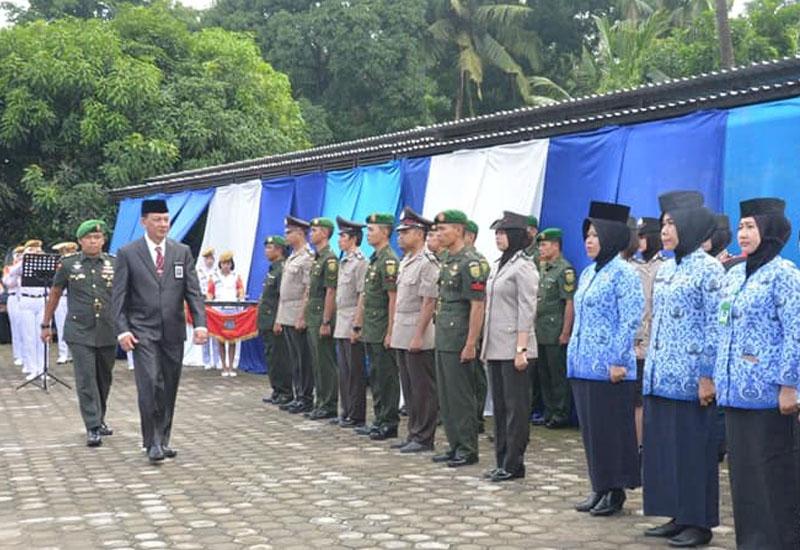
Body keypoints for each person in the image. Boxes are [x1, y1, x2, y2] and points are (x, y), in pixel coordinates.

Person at [714, 197, 800, 550]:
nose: (743, 233)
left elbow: (796, 330)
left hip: (769, 395)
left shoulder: (785, 275)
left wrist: (790, 384)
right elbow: (722, 324)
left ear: (770, 231)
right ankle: (751, 541)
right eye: (740, 226)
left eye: (751, 226)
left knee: (771, 475)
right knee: (744, 477)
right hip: (735, 392)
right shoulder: (734, 275)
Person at [641, 191, 723, 547]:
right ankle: (677, 513)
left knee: (694, 452)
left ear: (689, 226)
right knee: (668, 451)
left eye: (672, 224)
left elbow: (716, 325)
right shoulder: (667, 268)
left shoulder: (709, 269)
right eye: (663, 225)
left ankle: (698, 522)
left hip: (692, 379)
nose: (665, 231)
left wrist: (707, 374)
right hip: (662, 376)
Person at [112, 198, 208, 464]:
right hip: (142, 331)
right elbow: (118, 297)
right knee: (150, 384)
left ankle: (163, 438)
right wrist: (122, 330)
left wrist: (200, 323)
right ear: (144, 222)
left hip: (174, 332)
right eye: (157, 219)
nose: (163, 224)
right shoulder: (128, 253)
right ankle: (152, 441)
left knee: (168, 386)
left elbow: (193, 292)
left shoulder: (181, 252)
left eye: (166, 219)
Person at [569, 201, 644, 517]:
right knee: (591, 431)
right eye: (586, 234)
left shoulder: (624, 273)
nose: (588, 240)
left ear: (612, 237)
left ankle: (615, 491)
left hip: (610, 368)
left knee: (611, 431)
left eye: (595, 235)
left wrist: (617, 359)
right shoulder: (588, 272)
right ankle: (599, 485)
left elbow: (631, 318)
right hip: (583, 364)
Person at [41, 221, 116, 447]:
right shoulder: (68, 264)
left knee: (104, 378)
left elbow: (124, 295)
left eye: (97, 237)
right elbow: (55, 294)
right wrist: (46, 324)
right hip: (79, 331)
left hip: (107, 329)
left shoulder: (114, 263)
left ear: (103, 240)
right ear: (80, 241)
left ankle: (100, 417)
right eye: (89, 238)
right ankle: (92, 425)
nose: (93, 241)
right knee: (86, 379)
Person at [482, 210, 538, 481]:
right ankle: (502, 459)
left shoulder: (524, 266)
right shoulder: (499, 264)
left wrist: (521, 349)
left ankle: (514, 463)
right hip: (496, 346)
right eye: (496, 233)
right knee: (501, 407)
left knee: (516, 409)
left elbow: (527, 310)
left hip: (516, 347)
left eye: (503, 233)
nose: (498, 238)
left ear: (516, 236)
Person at [431, 209, 487, 468]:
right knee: (446, 395)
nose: (439, 234)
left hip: (459, 338)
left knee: (461, 396)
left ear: (459, 230)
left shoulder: (470, 262)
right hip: (444, 335)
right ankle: (454, 445)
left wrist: (471, 343)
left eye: (443, 229)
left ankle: (467, 448)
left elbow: (477, 306)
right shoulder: (447, 259)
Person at [391, 208, 439, 453]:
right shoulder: (406, 261)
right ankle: (413, 432)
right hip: (403, 331)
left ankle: (424, 437)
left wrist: (419, 335)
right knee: (409, 387)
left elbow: (428, 302)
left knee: (422, 388)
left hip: (417, 332)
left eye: (405, 232)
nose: (400, 237)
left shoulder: (427, 263)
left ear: (420, 234)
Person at [352, 213, 400, 441]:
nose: (368, 234)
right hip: (372, 327)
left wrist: (391, 331)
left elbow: (393, 298)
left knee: (386, 377)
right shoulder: (375, 259)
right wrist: (359, 323)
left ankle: (389, 422)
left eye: (372, 230)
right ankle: (379, 419)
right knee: (376, 376)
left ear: (385, 232)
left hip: (382, 327)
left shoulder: (389, 261)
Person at [534, 228, 575, 429]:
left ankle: (560, 413)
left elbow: (569, 303)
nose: (540, 249)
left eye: (544, 244)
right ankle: (548, 411)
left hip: (555, 330)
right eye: (539, 245)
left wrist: (565, 332)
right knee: (543, 374)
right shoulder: (543, 268)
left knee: (557, 375)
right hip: (540, 330)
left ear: (556, 246)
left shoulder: (564, 270)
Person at [275, 216, 315, 414]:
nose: (286, 236)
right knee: (294, 358)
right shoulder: (293, 256)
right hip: (286, 310)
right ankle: (298, 394)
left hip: (297, 311)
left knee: (302, 358)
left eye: (289, 232)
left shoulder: (307, 257)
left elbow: (308, 288)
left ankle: (305, 397)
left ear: (300, 233)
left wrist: (302, 315)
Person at [632, 216, 665, 447]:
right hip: (633, 345)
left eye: (643, 236)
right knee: (634, 401)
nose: (639, 240)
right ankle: (636, 446)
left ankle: (645, 446)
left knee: (646, 401)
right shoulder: (631, 267)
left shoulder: (663, 268)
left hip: (653, 345)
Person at [333, 216, 368, 428]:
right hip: (341, 320)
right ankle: (346, 410)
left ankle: (356, 414)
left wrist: (357, 324)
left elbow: (362, 295)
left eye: (343, 236)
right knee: (344, 371)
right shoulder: (344, 261)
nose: (339, 240)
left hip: (351, 320)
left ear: (353, 239)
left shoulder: (360, 262)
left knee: (355, 372)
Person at [304, 217, 339, 420]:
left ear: (325, 233)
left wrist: (326, 320)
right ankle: (320, 401)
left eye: (315, 230)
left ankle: (329, 404)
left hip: (321, 314)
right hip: (313, 313)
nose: (311, 233)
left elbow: (330, 292)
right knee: (317, 361)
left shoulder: (330, 259)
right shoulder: (318, 258)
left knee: (325, 361)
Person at [259, 236, 292, 405]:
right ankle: (277, 390)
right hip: (267, 321)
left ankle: (285, 391)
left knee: (280, 358)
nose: (266, 251)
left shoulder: (282, 269)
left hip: (275, 321)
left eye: (270, 247)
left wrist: (279, 319)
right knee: (272, 357)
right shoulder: (273, 269)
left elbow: (282, 297)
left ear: (279, 249)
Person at [464, 219, 490, 434]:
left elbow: (480, 300)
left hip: (473, 323)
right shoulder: (453, 260)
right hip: (455, 326)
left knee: (475, 374)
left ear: (470, 237)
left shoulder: (477, 263)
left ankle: (476, 414)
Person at [206, 251, 245, 376]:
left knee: (232, 338)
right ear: (220, 264)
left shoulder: (236, 276)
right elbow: (210, 293)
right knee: (221, 339)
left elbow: (240, 291)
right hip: (219, 311)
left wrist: (241, 298)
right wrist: (208, 302)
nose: (226, 266)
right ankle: (223, 366)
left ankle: (231, 366)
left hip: (232, 310)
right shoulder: (214, 277)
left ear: (231, 264)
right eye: (223, 263)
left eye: (228, 263)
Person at [16, 239, 47, 381]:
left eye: (37, 249)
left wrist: (42, 257)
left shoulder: (44, 264)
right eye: (32, 249)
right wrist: (24, 258)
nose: (35, 252)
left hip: (42, 299)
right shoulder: (22, 263)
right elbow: (10, 276)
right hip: (26, 300)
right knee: (29, 336)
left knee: (42, 336)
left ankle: (43, 369)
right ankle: (32, 368)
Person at [51, 241, 78, 365]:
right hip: (62, 297)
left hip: (75, 297)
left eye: (70, 251)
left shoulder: (78, 264)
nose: (67, 254)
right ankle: (63, 354)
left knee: (76, 326)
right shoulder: (60, 265)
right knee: (61, 325)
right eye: (65, 251)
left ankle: (74, 353)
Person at [196, 247, 219, 370]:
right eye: (207, 259)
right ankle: (206, 360)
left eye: (211, 258)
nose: (209, 261)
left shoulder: (217, 272)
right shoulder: (199, 271)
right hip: (203, 302)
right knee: (204, 330)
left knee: (215, 332)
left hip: (214, 303)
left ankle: (216, 359)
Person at [3, 245, 25, 368]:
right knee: (16, 328)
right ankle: (18, 355)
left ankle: (27, 355)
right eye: (17, 254)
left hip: (25, 297)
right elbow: (8, 283)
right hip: (13, 297)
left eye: (22, 254)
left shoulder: (27, 268)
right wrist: (16, 272)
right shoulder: (9, 268)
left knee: (26, 328)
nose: (19, 257)